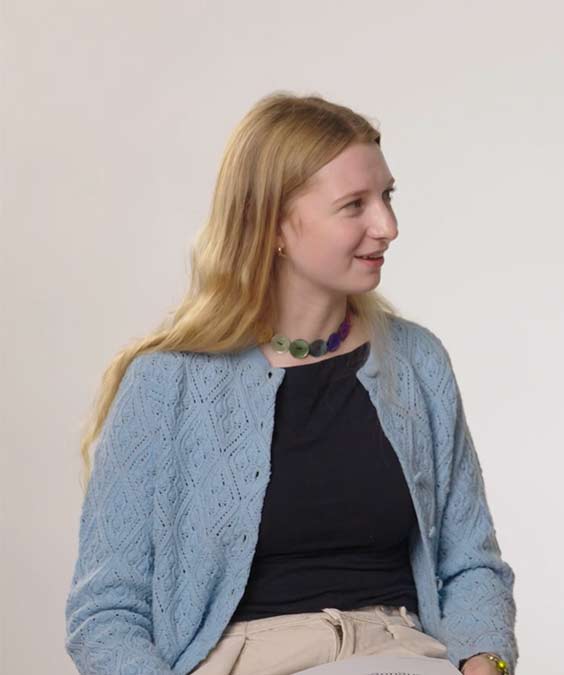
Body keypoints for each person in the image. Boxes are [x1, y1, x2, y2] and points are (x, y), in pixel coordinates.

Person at [66, 94, 517, 675]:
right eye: (354, 205)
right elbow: (106, 612)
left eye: (387, 196)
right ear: (273, 222)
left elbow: (470, 563)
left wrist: (486, 663)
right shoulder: (166, 382)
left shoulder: (417, 361)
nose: (389, 226)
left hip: (403, 653)